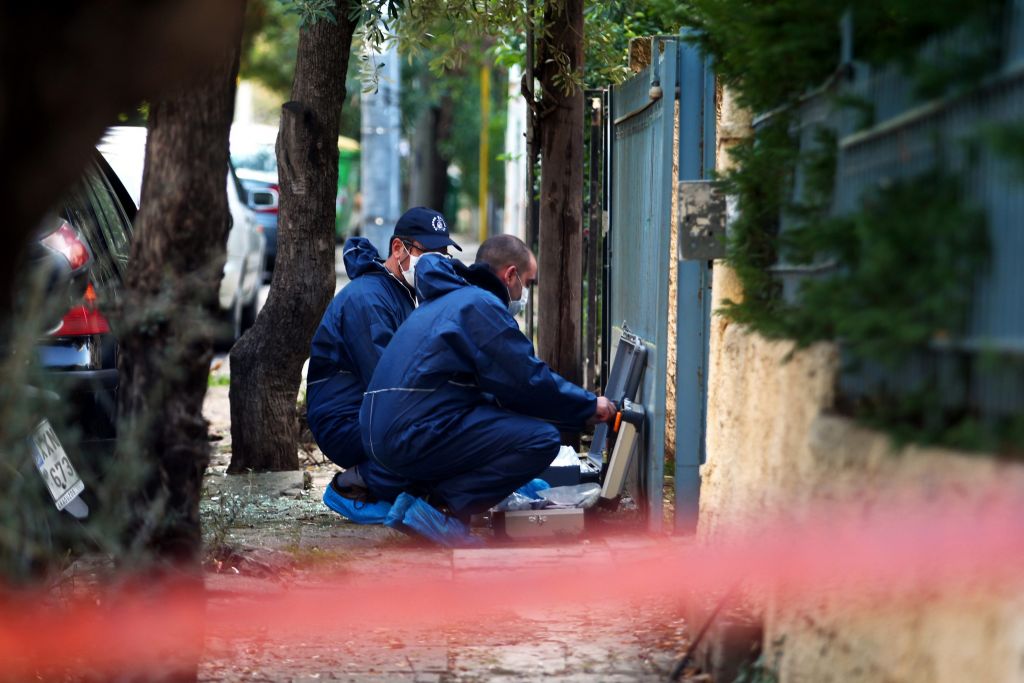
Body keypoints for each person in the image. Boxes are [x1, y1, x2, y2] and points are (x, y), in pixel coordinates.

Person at [358, 234, 616, 520]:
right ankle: (441, 511)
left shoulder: (447, 301)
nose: (525, 293)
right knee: (540, 440)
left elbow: (498, 392)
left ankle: (417, 503)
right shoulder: (480, 307)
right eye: (528, 283)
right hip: (407, 434)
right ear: (511, 275)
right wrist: (589, 406)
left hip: (378, 435)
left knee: (493, 419)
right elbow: (527, 380)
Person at [306, 207, 461, 482]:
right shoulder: (369, 299)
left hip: (367, 414)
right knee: (443, 435)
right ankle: (361, 483)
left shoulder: (402, 294)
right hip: (345, 423)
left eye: (443, 256)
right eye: (427, 254)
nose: (438, 263)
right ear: (398, 248)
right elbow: (389, 383)